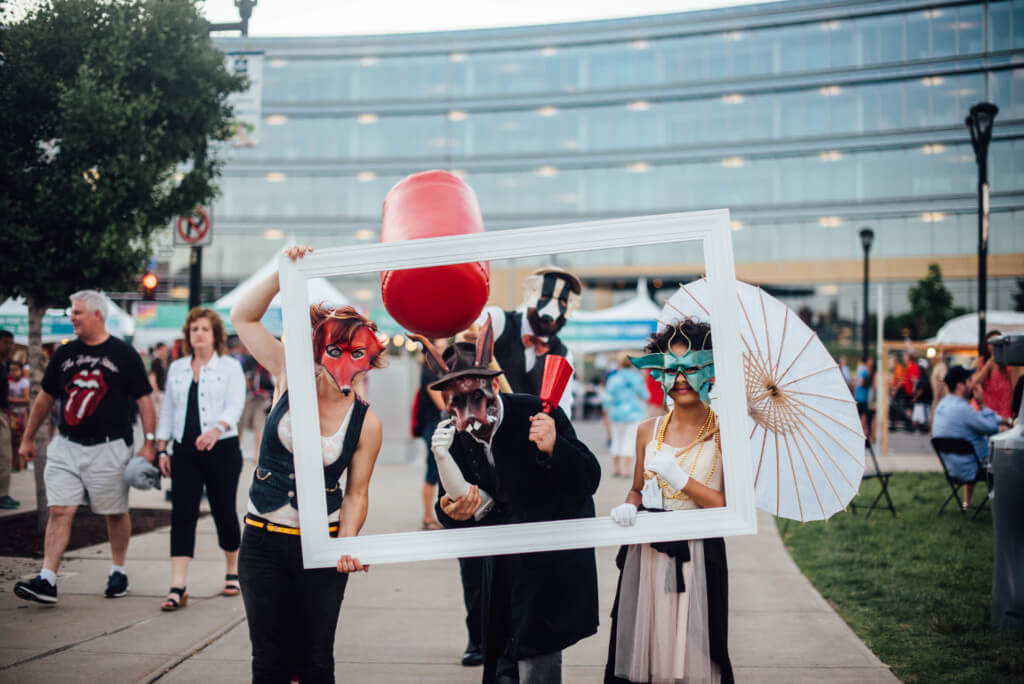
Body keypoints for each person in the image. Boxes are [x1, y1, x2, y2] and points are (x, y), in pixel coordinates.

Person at [231, 245, 385, 683]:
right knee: (270, 662)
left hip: (321, 549)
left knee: (316, 661)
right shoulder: (289, 374)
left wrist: (348, 543)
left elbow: (357, 492)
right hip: (262, 541)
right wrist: (283, 269)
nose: (344, 359)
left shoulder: (366, 422)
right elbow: (243, 317)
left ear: (369, 357)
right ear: (321, 346)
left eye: (357, 352)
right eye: (335, 347)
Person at [420, 320, 601, 684]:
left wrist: (555, 447)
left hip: (548, 562)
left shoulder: (535, 412)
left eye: (476, 398)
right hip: (499, 564)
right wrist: (451, 512)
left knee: (538, 659)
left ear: (491, 385)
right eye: (457, 402)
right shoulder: (454, 433)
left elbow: (588, 479)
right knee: (500, 656)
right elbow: (454, 504)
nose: (469, 413)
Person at [605, 317, 733, 684]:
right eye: (671, 369)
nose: (679, 378)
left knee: (696, 652)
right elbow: (636, 486)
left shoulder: (725, 432)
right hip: (648, 555)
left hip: (698, 557)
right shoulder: (648, 430)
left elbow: (728, 506)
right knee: (648, 652)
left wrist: (681, 479)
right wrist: (630, 504)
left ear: (709, 371)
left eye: (690, 368)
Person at [13, 291, 156, 604]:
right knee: (60, 509)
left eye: (77, 313)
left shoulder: (124, 354)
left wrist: (150, 443)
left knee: (115, 513)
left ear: (97, 315)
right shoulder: (64, 355)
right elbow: (46, 397)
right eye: (71, 313)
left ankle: (118, 570)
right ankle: (47, 578)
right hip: (66, 445)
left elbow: (145, 399)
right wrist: (27, 437)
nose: (72, 318)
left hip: (110, 448)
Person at [155, 307, 246, 611]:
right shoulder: (178, 368)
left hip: (222, 450)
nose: (198, 334)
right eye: (194, 329)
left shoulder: (230, 367)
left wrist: (216, 430)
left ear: (215, 334)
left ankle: (233, 571)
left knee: (223, 510)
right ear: (188, 335)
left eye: (204, 329)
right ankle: (177, 585)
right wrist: (162, 447)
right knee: (182, 513)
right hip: (184, 452)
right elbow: (168, 409)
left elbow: (236, 405)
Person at [474, 266, 583, 415]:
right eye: (545, 297)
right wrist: (468, 338)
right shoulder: (497, 320)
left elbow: (562, 411)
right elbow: (470, 334)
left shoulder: (562, 354)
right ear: (531, 295)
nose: (552, 310)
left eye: (563, 302)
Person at [932, 366, 1004, 510]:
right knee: (1012, 457)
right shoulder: (963, 409)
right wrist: (982, 403)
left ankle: (967, 503)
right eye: (970, 380)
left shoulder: (942, 406)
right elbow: (991, 428)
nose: (974, 384)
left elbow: (980, 421)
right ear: (960, 386)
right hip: (973, 468)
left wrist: (1004, 420)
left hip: (953, 469)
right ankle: (1006, 508)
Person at [415, 338, 447, 531]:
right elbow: (443, 406)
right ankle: (427, 517)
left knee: (442, 473)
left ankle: (438, 516)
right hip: (434, 427)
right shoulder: (430, 374)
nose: (442, 353)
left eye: (444, 348)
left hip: (438, 426)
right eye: (439, 348)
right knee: (433, 472)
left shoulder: (438, 372)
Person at [603, 353, 648, 478]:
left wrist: (605, 413)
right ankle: (626, 469)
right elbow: (645, 395)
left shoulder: (613, 379)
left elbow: (607, 398)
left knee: (616, 439)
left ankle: (615, 468)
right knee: (629, 440)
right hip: (634, 413)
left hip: (616, 413)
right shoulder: (636, 378)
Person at [973, 330, 1013, 421]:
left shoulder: (1008, 364)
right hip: (986, 409)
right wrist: (988, 365)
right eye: (991, 343)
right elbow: (974, 383)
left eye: (998, 343)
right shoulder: (980, 362)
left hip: (1004, 410)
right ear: (986, 345)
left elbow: (1013, 388)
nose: (994, 346)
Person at [0, 329, 17, 509]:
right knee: (4, 455)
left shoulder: (5, 365)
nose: (10, 347)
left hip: (4, 413)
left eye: (11, 343)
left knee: (5, 455)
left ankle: (3, 493)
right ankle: (2, 495)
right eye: (6, 343)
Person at [7, 360, 31, 472]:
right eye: (11, 370)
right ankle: (13, 465)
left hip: (21, 415)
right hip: (10, 414)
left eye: (15, 370)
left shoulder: (24, 383)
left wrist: (11, 400)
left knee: (20, 441)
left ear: (21, 371)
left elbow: (27, 399)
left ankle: (21, 466)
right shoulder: (8, 382)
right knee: (11, 441)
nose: (12, 372)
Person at [855, 357, 875, 442]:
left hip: (864, 397)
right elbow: (861, 382)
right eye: (870, 361)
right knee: (863, 416)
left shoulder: (866, 370)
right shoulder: (864, 371)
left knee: (864, 416)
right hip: (861, 397)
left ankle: (864, 433)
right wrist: (869, 382)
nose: (871, 363)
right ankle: (862, 433)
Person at [911, 357, 933, 433]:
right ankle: (915, 429)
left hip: (923, 402)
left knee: (924, 418)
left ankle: (924, 429)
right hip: (922, 402)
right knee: (918, 418)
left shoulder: (924, 377)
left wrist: (915, 397)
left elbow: (921, 390)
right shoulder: (923, 377)